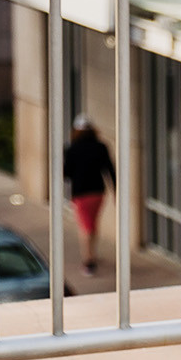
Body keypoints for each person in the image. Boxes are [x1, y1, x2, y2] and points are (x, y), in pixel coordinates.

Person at [63, 116, 115, 276]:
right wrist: (115, 190)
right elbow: (109, 169)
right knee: (93, 224)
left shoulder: (72, 149)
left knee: (85, 227)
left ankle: (88, 262)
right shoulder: (101, 147)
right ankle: (92, 253)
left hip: (81, 193)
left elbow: (66, 173)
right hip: (98, 192)